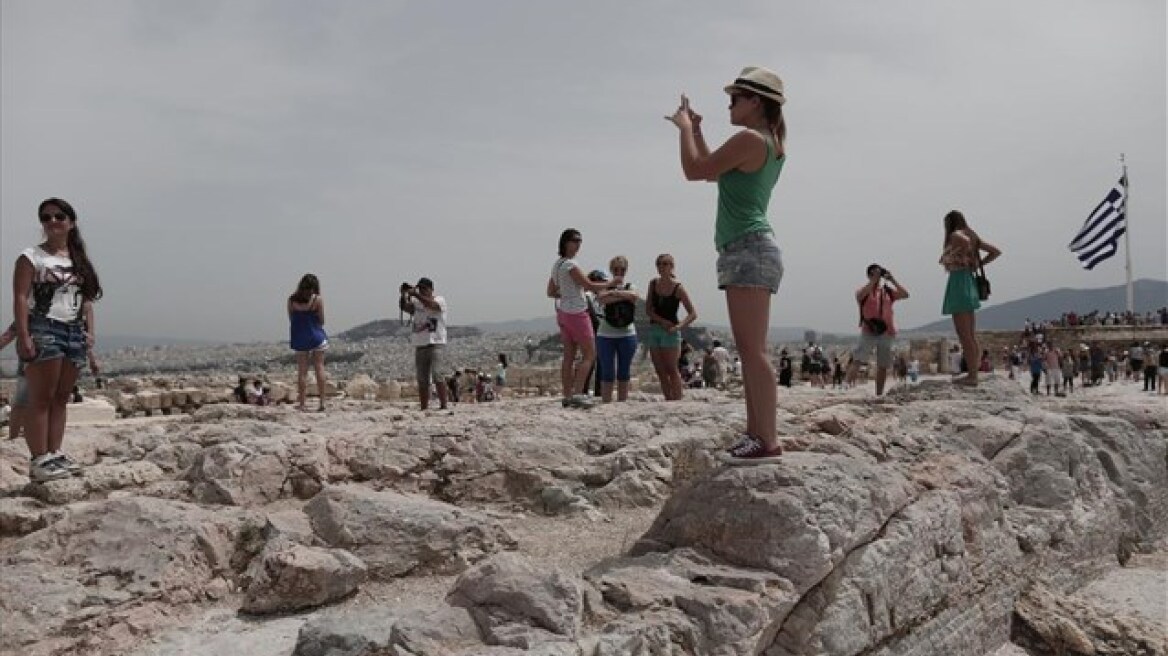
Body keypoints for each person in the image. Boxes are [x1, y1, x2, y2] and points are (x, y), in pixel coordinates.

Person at [667, 66, 787, 463]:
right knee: (751, 349)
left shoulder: (750, 139)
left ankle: (766, 439)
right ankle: (756, 435)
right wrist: (697, 132)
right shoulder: (764, 142)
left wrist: (684, 128)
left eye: (735, 98)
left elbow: (693, 171)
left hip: (747, 249)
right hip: (748, 249)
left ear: (756, 102)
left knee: (753, 352)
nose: (729, 105)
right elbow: (708, 171)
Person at [12, 198, 102, 481]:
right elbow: (20, 297)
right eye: (46, 217)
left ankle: (55, 453)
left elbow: (87, 301)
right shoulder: (31, 256)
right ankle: (39, 459)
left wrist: (90, 335)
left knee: (61, 398)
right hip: (44, 328)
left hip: (74, 331)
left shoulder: (78, 261)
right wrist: (24, 335)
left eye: (59, 216)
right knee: (41, 397)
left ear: (71, 222)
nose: (52, 221)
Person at [547, 229, 620, 409]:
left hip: (563, 312)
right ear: (565, 242)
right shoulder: (571, 265)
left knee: (569, 356)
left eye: (580, 240)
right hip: (577, 313)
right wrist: (611, 283)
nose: (578, 244)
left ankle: (567, 395)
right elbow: (589, 285)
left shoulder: (557, 265)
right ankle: (578, 394)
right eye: (574, 240)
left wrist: (567, 292)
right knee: (590, 354)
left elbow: (550, 292)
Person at [939, 210, 1001, 387]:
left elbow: (964, 242)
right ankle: (973, 373)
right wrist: (976, 263)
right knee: (970, 335)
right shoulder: (973, 235)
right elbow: (995, 252)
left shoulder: (957, 235)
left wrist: (965, 256)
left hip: (959, 282)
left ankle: (972, 376)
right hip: (969, 281)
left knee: (964, 334)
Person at [846, 264, 910, 396]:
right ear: (869, 275)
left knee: (883, 364)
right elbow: (859, 296)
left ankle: (879, 394)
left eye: (879, 274)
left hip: (886, 331)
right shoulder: (863, 291)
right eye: (874, 273)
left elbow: (905, 295)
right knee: (858, 359)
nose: (878, 276)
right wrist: (872, 282)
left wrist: (892, 279)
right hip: (868, 329)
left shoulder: (887, 291)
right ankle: (845, 387)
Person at [644, 254, 697, 400]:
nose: (662, 267)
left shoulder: (678, 288)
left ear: (672, 266)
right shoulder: (653, 284)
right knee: (660, 370)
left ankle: (677, 400)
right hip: (655, 329)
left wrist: (678, 327)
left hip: (670, 332)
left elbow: (692, 313)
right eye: (660, 264)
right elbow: (648, 309)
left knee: (672, 369)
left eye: (666, 264)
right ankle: (668, 398)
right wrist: (661, 321)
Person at [594, 256, 640, 402]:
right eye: (616, 269)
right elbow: (601, 299)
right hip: (606, 334)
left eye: (622, 269)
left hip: (627, 333)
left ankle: (622, 402)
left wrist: (614, 293)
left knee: (624, 370)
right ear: (611, 270)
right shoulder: (605, 286)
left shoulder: (631, 285)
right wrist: (621, 295)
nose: (619, 272)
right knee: (607, 371)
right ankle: (606, 401)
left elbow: (634, 296)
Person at [399, 277, 449, 411]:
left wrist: (415, 294)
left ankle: (443, 405)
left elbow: (432, 306)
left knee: (438, 374)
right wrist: (403, 295)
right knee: (422, 378)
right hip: (420, 344)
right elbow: (405, 308)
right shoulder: (417, 303)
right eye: (420, 288)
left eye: (424, 289)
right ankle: (424, 407)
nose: (422, 291)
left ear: (431, 289)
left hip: (435, 343)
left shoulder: (440, 300)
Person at [288, 273, 328, 412]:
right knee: (319, 367)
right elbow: (322, 321)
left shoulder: (292, 300)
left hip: (300, 337)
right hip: (316, 336)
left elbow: (291, 318)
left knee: (302, 371)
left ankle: (302, 403)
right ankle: (322, 402)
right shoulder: (317, 300)